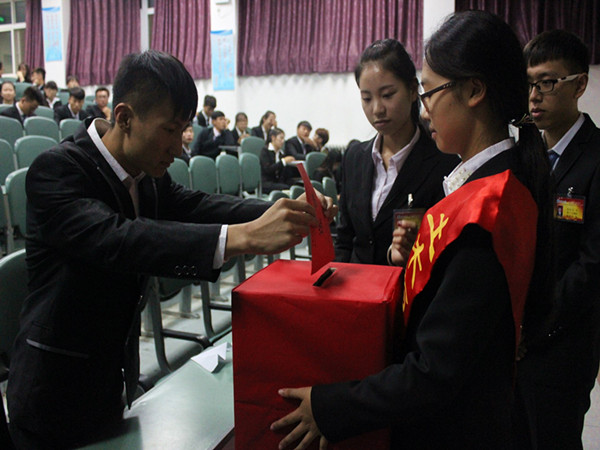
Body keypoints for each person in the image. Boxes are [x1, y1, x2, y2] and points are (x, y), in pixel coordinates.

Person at [6, 49, 335, 448]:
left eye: (183, 131)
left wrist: (283, 209)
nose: (178, 148)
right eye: (169, 130)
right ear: (124, 117)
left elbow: (196, 205)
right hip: (53, 393)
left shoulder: (143, 173)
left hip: (111, 380)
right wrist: (243, 237)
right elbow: (119, 239)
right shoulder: (56, 170)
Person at [271, 11, 553, 449]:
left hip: (452, 428)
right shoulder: (484, 187)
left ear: (473, 91)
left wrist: (329, 408)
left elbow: (435, 370)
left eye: (429, 92)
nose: (425, 108)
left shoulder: (486, 208)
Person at [515, 30, 600, 449]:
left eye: (547, 83)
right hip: (516, 338)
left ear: (579, 84)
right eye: (529, 84)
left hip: (564, 343)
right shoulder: (524, 153)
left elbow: (592, 264)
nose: (534, 96)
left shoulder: (596, 157)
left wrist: (535, 323)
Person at [334, 39, 458, 266]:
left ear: (412, 90)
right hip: (355, 284)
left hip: (407, 285)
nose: (377, 109)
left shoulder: (443, 163)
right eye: (367, 98)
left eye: (388, 95)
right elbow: (345, 239)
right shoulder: (354, 157)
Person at [260, 127, 296, 193]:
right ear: (273, 138)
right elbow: (268, 169)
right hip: (266, 183)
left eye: (283, 139)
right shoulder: (265, 151)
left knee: (295, 185)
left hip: (276, 182)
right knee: (286, 188)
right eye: (281, 138)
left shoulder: (281, 153)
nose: (283, 141)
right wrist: (283, 161)